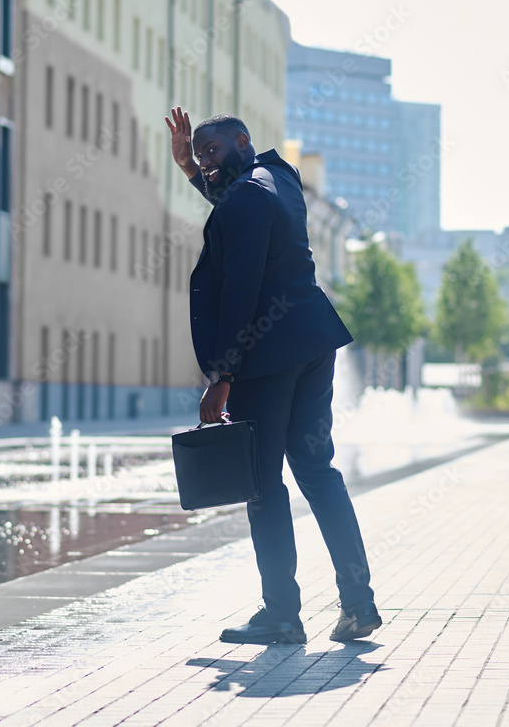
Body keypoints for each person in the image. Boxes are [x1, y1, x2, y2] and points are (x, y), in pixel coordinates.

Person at [165, 106, 381, 645]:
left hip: (267, 355)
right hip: (313, 340)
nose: (208, 163)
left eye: (213, 152)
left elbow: (240, 290)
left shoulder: (244, 197)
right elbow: (243, 214)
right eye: (203, 156)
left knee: (263, 486)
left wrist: (222, 374)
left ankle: (282, 614)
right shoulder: (280, 178)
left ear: (241, 140)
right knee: (318, 471)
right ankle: (359, 604)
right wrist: (190, 171)